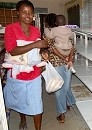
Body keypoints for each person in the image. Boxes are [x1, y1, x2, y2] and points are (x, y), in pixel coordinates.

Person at [2, 1, 48, 130]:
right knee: (20, 101)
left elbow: (38, 50)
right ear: (18, 13)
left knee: (37, 105)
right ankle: (23, 120)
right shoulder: (11, 28)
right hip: (18, 74)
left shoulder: (36, 30)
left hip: (34, 73)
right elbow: (12, 50)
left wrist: (43, 52)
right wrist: (34, 45)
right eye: (24, 12)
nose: (28, 15)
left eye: (30, 12)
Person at [43, 13, 76, 123]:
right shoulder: (68, 31)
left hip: (57, 64)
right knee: (66, 86)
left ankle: (62, 114)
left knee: (59, 88)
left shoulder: (50, 33)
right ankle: (68, 104)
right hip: (68, 62)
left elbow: (52, 49)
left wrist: (64, 58)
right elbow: (72, 47)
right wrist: (69, 59)